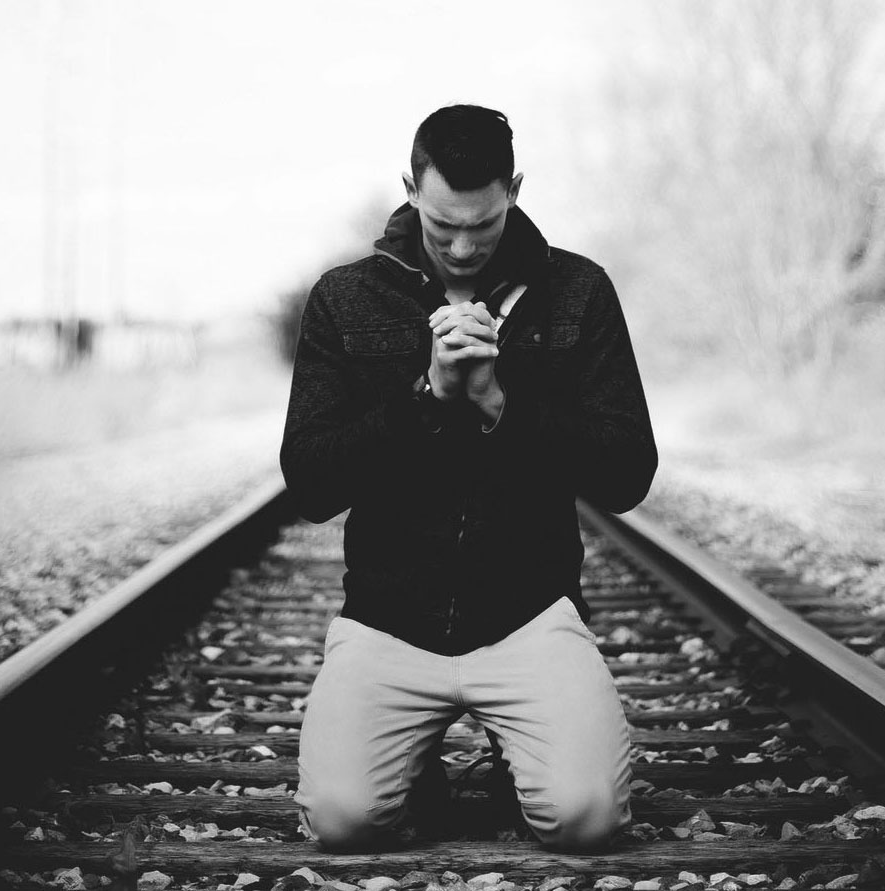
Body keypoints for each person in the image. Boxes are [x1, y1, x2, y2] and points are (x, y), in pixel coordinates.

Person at [280, 104, 658, 852]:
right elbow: (310, 484)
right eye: (443, 222)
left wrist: (497, 402)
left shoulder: (577, 290)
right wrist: (425, 399)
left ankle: (514, 757)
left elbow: (626, 472)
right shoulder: (345, 298)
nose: (460, 245)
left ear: (512, 189)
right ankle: (411, 763)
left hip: (529, 615)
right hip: (386, 621)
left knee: (585, 816)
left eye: (481, 225)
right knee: (340, 817)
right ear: (409, 188)